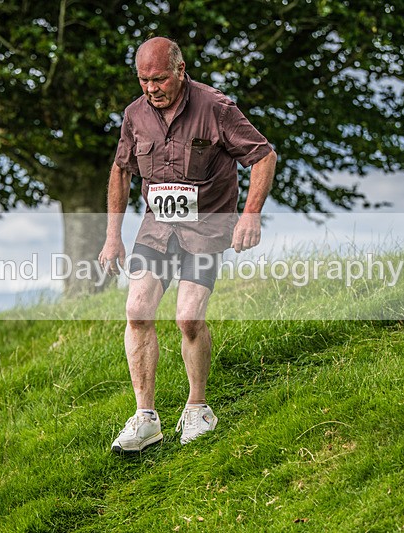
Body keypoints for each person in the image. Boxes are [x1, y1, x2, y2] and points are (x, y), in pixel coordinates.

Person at [98, 37, 277, 453]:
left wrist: (250, 214)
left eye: (158, 79)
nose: (151, 88)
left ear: (180, 70)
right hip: (156, 229)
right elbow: (121, 170)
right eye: (143, 80)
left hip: (205, 230)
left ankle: (197, 407)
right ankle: (146, 418)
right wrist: (112, 236)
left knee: (188, 319)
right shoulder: (134, 115)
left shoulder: (216, 108)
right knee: (137, 310)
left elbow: (263, 156)